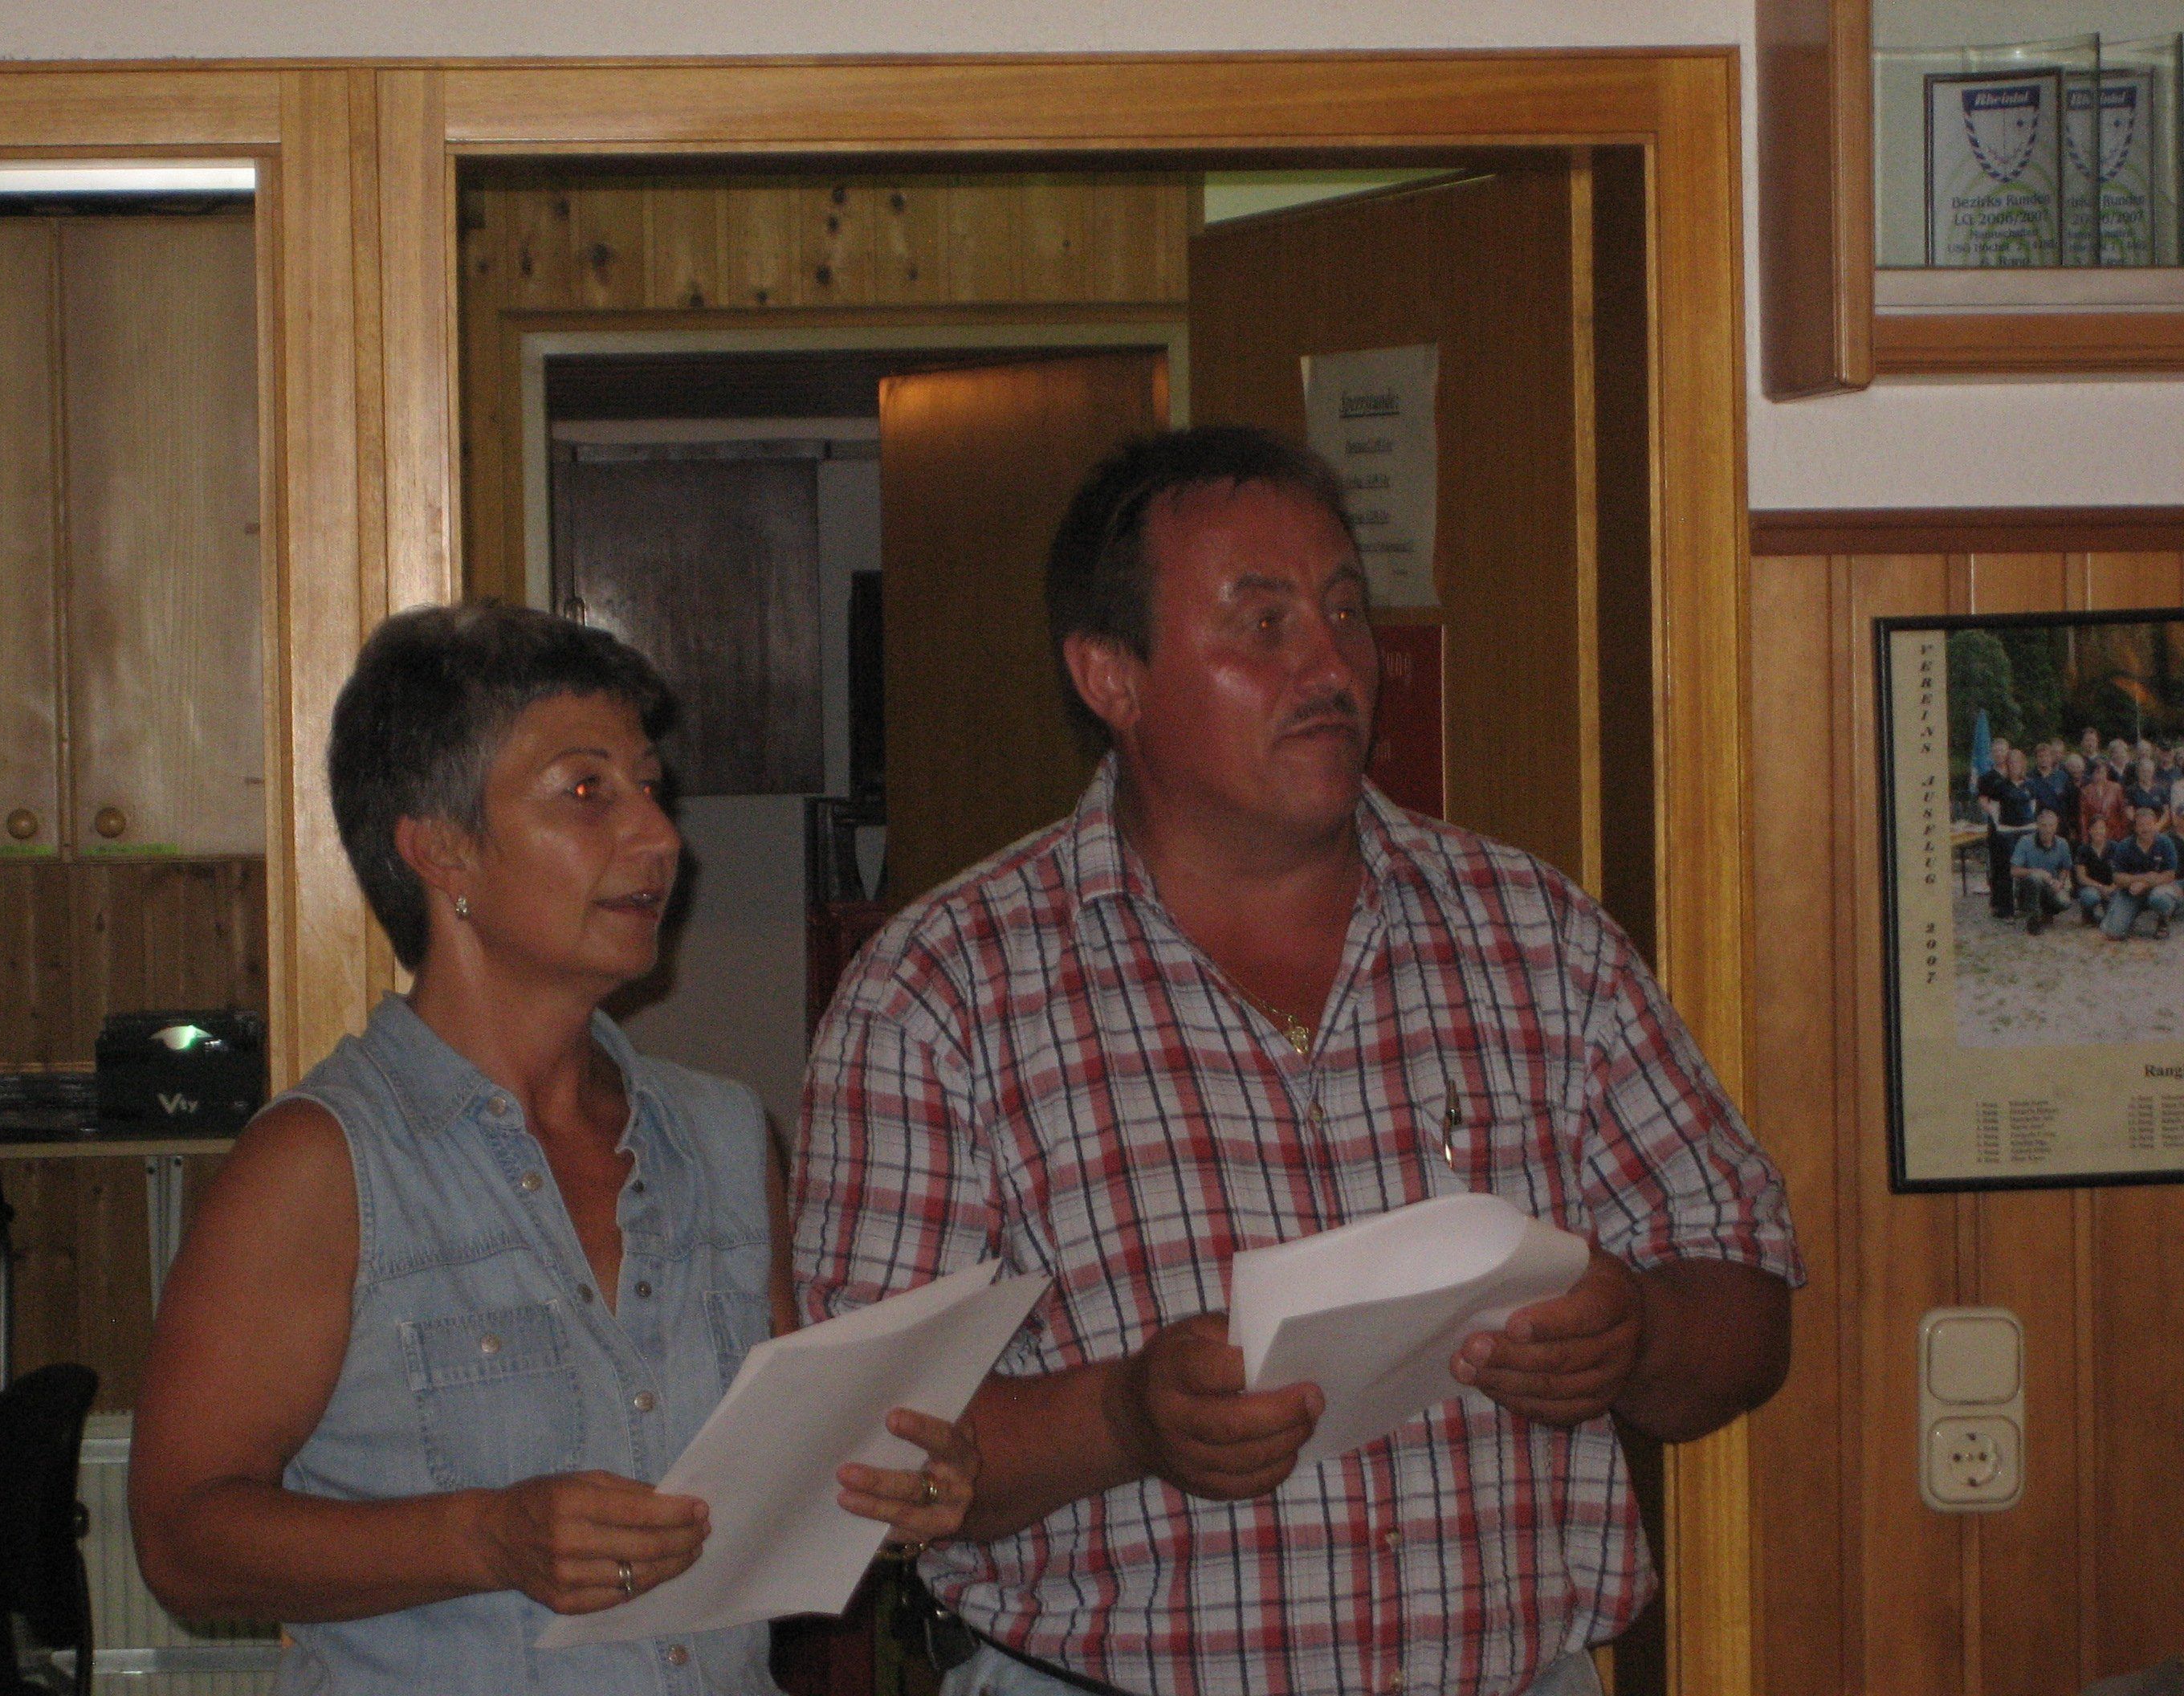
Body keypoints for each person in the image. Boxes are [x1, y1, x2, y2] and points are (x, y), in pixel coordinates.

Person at [793, 428, 1800, 1696]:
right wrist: (1123, 1419)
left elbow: (1746, 1299)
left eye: (1345, 612)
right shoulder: (942, 992)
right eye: (1262, 625)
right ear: (1112, 677)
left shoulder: (1535, 933)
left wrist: (1639, 1335)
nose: (1332, 666)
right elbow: (866, 1458)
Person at [129, 605, 977, 1694]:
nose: (659, 836)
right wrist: (481, 1538)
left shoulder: (721, 1135)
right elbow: (183, 1542)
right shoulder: (323, 1163)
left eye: (651, 788)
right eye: (587, 792)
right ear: (440, 849)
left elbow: (773, 1494)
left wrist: (889, 1491)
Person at [2104, 805, 2182, 941]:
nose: (2145, 829)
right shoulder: (2124, 846)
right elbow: (2117, 878)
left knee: (2160, 898)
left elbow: (2170, 875)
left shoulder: (2165, 843)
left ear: (2155, 824)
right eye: (2141, 825)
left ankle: (2163, 921)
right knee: (2113, 933)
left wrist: (2145, 884)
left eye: (2149, 824)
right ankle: (2129, 917)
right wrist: (2142, 878)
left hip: (2157, 890)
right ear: (2135, 827)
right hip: (2131, 892)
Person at [1979, 746, 2036, 918]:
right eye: (2011, 762)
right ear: (2007, 764)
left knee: (2027, 868)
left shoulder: (2030, 784)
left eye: (2017, 762)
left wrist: (2030, 825)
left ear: (2023, 764)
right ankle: (2006, 908)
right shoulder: (1999, 786)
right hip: (2007, 832)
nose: (2014, 765)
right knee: (2006, 869)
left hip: (2027, 831)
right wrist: (2001, 828)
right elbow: (1994, 809)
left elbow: (2033, 806)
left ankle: (2027, 905)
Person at [2008, 807, 2072, 934]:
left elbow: (2065, 868)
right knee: (2035, 878)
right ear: (2037, 825)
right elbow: (2014, 871)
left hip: (2050, 885)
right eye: (2044, 825)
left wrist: (2060, 882)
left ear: (2056, 827)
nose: (2047, 830)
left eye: (2051, 825)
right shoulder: (2025, 842)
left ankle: (2047, 911)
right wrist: (2036, 871)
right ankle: (2033, 920)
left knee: (2065, 902)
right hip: (2027, 888)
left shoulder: (2062, 844)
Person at [2023, 741, 2076, 838]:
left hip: (2060, 826)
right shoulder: (2028, 778)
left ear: (2052, 758)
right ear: (2036, 759)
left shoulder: (2062, 777)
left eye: (2047, 756)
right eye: (2040, 756)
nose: (2044, 759)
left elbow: (2071, 803)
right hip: (2037, 826)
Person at [2074, 814, 2117, 926]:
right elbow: (2081, 877)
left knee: (2113, 920)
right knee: (2090, 897)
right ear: (2089, 831)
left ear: (2106, 830)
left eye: (2101, 828)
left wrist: (2111, 888)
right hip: (2091, 888)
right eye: (2095, 828)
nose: (2098, 831)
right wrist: (2100, 887)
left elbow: (2121, 873)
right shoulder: (2083, 850)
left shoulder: (2115, 847)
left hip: (2111, 888)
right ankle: (2088, 915)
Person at [2077, 757, 2130, 845]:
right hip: (2095, 836)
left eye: (2103, 772)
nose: (2100, 776)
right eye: (2097, 773)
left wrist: (2123, 835)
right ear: (2092, 774)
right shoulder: (2085, 791)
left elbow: (2122, 813)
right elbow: (2083, 817)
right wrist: (2085, 838)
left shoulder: (2116, 788)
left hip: (2115, 835)